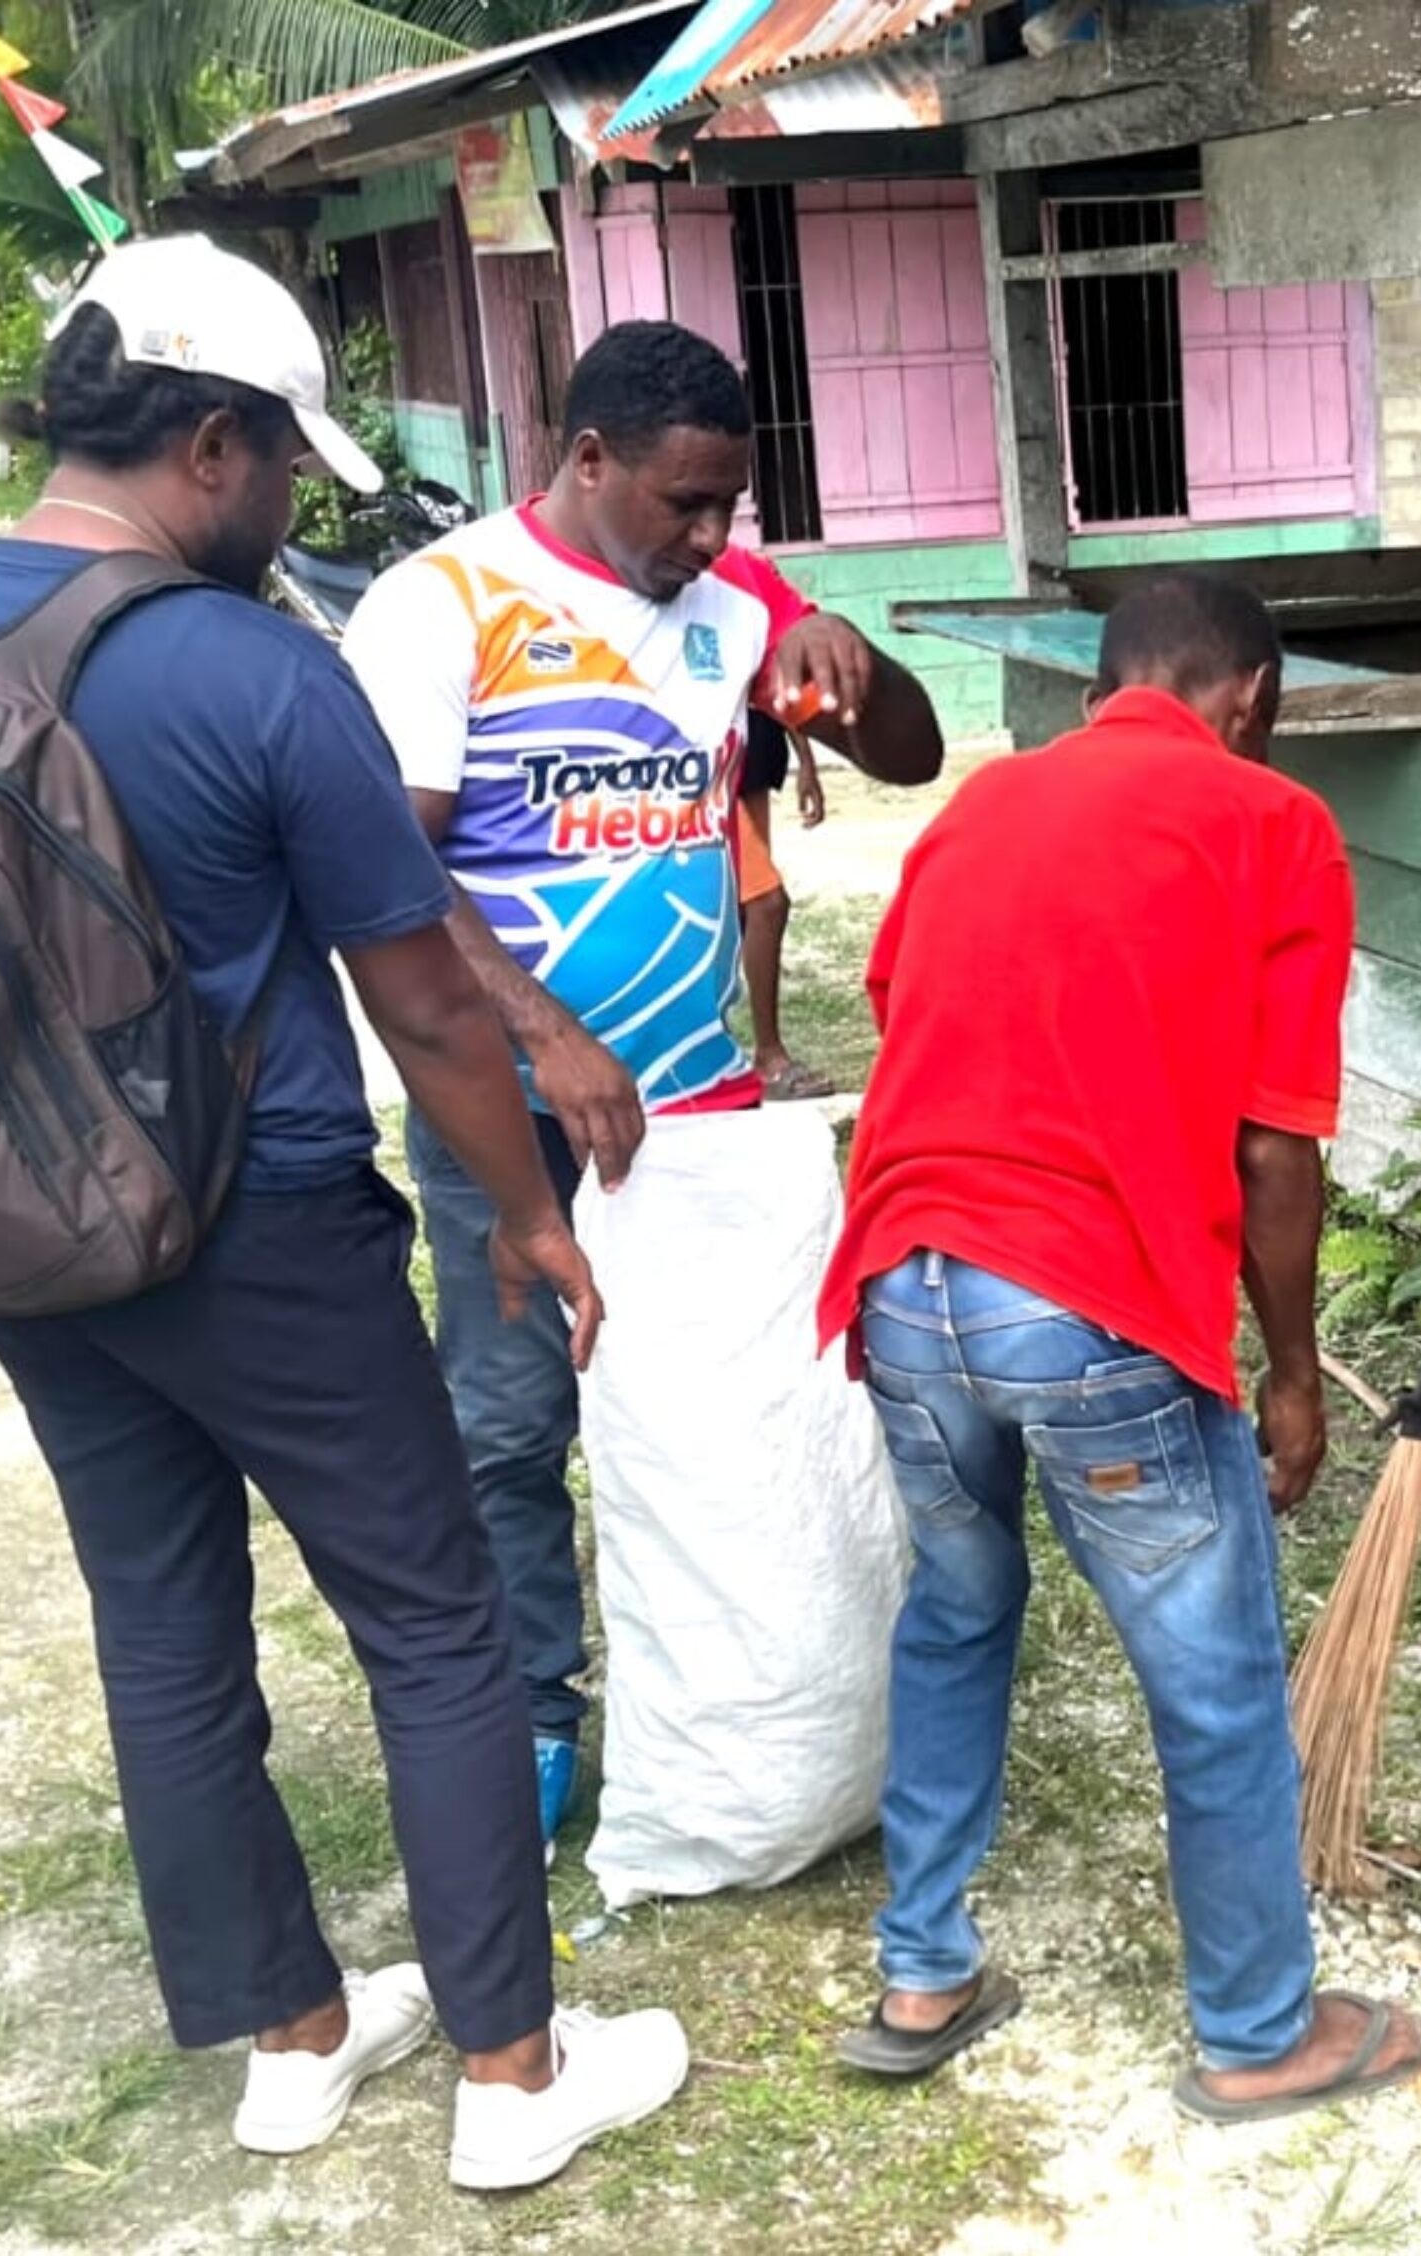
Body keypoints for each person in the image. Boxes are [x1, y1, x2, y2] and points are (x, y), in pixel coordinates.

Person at [0, 236, 686, 2188]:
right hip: (261, 1227)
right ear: (208, 443)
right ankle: (507, 2077)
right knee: (432, 1628)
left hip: (16, 1225)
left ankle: (293, 2045)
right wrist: (527, 1215)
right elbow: (419, 995)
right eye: (285, 469)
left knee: (161, 1631)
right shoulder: (249, 664)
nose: (292, 507)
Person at [815, 571, 1421, 2123]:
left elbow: (916, 1012)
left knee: (955, 1613)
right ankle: (1254, 2034)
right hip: (1080, 1305)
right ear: (1258, 700)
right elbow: (1278, 1151)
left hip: (903, 1285)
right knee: (1214, 1680)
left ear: (1102, 686)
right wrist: (1293, 1375)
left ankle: (924, 1969)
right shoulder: (1271, 825)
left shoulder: (978, 807)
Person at [338, 316, 944, 1848]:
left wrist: (851, 670)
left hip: (706, 1110)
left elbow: (917, 761)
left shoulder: (730, 602)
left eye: (731, 504)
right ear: (587, 458)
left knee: (732, 1416)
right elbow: (383, 865)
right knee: (513, 1414)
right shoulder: (444, 608)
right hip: (513, 1110)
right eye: (684, 502)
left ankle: (739, 1710)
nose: (711, 533)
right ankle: (538, 1712)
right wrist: (540, 1029)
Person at [735, 707, 836, 1099]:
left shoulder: (748, 643)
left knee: (744, 909)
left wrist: (806, 762)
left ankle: (741, 1052)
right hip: (699, 772)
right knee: (766, 903)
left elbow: (775, 686)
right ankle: (770, 1058)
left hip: (752, 761)